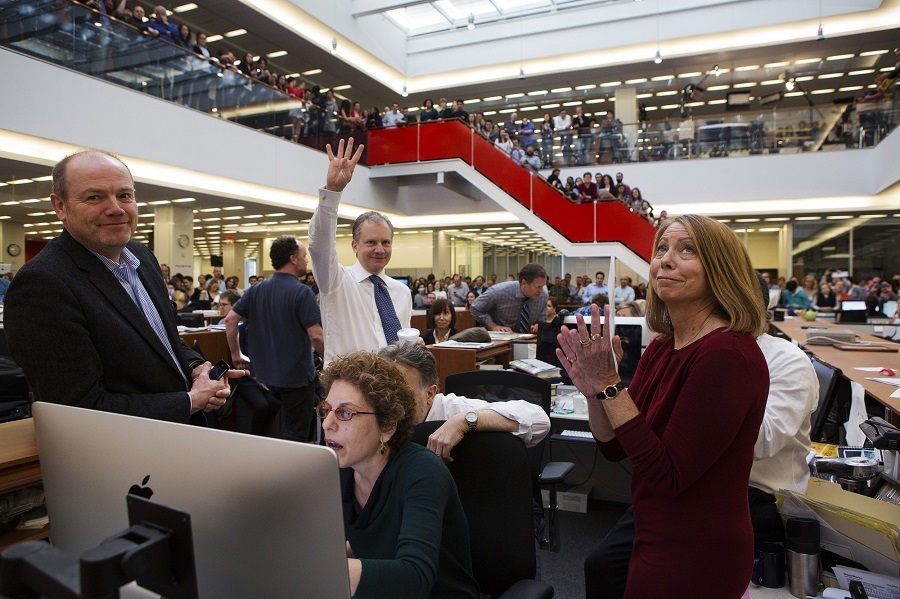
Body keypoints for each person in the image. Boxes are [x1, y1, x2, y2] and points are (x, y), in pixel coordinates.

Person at [558, 214, 768, 599]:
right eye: (661, 249)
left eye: (687, 250)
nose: (665, 260)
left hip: (698, 552)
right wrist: (594, 393)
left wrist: (609, 383)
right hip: (655, 529)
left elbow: (667, 475)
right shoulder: (664, 345)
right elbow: (614, 446)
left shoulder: (727, 355)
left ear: (721, 269)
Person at [5, 150, 236, 424]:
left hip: (184, 433)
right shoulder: (43, 284)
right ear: (60, 206)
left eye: (125, 195)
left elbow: (163, 340)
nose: (116, 208)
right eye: (95, 197)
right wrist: (190, 401)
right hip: (126, 446)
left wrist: (196, 368)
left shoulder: (142, 258)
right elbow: (79, 408)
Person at [320, 352, 479, 599]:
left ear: (387, 426)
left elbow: (415, 578)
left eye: (345, 413)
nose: (326, 424)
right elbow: (370, 543)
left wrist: (321, 569)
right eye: (326, 410)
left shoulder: (422, 471)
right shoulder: (341, 469)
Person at [309, 139, 412, 366]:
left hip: (391, 384)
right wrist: (332, 193)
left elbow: (403, 351)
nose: (379, 249)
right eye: (371, 242)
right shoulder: (336, 282)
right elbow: (319, 247)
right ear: (355, 246)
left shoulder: (402, 293)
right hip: (348, 385)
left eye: (386, 242)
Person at [224, 235, 324, 442]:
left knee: (286, 428)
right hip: (296, 377)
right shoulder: (302, 292)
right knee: (296, 435)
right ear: (293, 259)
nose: (306, 261)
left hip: (266, 376)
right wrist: (332, 359)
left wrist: (236, 354)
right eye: (304, 256)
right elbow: (316, 335)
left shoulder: (255, 290)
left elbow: (230, 320)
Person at [379, 342, 550, 461]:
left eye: (402, 392)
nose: (391, 400)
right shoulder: (378, 416)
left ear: (430, 394)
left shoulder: (453, 410)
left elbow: (540, 421)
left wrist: (464, 422)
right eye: (385, 390)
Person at [470, 263, 548, 333]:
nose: (541, 291)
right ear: (524, 283)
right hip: (501, 339)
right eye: (538, 287)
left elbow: (541, 321)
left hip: (529, 340)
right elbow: (475, 308)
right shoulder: (498, 291)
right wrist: (493, 326)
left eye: (543, 286)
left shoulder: (543, 296)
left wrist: (538, 327)